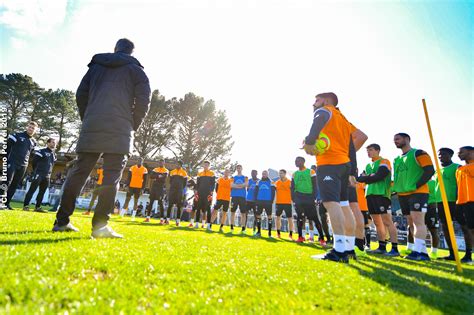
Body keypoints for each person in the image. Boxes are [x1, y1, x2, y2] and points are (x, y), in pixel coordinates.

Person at [52, 38, 151, 238]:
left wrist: (88, 118)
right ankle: (99, 227)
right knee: (112, 176)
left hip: (93, 124)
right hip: (120, 128)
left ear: (115, 49)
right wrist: (133, 125)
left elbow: (81, 94)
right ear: (131, 52)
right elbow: (143, 102)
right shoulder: (137, 71)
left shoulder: (95, 67)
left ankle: (61, 222)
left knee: (78, 174)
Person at [303, 93, 367, 262]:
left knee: (331, 205)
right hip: (344, 165)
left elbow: (318, 119)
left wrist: (309, 141)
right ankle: (349, 248)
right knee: (345, 206)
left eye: (316, 100)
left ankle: (338, 250)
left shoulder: (325, 111)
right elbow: (351, 148)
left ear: (326, 100)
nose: (314, 104)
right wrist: (353, 171)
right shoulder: (344, 120)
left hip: (329, 164)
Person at [392, 133, 435, 260]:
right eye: (394, 140)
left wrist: (416, 185)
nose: (395, 141)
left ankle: (418, 252)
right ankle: (422, 252)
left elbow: (430, 170)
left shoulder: (419, 153)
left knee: (418, 221)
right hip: (403, 194)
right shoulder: (396, 159)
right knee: (411, 223)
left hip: (418, 193)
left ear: (407, 139)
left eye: (397, 139)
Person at [358, 143, 400, 257]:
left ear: (378, 150)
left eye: (371, 150)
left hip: (381, 195)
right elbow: (369, 178)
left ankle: (395, 248)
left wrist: (366, 178)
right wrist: (369, 177)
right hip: (370, 195)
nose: (368, 152)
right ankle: (382, 247)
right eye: (367, 150)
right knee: (377, 223)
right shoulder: (368, 165)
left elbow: (379, 176)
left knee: (387, 222)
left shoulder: (384, 161)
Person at [435, 148, 471, 262]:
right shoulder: (438, 170)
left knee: (465, 227)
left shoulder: (457, 167)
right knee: (445, 227)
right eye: (439, 154)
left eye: (443, 154)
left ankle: (468, 254)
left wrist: (457, 199)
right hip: (441, 202)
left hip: (455, 202)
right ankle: (452, 253)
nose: (440, 156)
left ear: (450, 155)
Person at [5, 121, 39, 210]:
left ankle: (7, 204)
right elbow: (7, 148)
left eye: (33, 128)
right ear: (26, 127)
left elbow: (30, 154)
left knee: (15, 184)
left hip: (23, 166)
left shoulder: (34, 142)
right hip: (12, 162)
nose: (31, 129)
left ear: (35, 130)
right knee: (7, 182)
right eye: (30, 127)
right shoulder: (16, 135)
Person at [291, 157, 323, 243]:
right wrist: (293, 199)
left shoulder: (311, 172)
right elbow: (292, 188)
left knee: (315, 218)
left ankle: (322, 239)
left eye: (297, 161)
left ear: (303, 162)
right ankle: (300, 237)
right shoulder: (294, 174)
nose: (296, 162)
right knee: (300, 218)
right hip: (298, 198)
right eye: (295, 161)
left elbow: (315, 186)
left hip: (309, 198)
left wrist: (315, 197)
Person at [23, 138, 57, 212]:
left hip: (47, 176)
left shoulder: (54, 154)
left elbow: (52, 165)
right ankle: (26, 206)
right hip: (39, 174)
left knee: (42, 192)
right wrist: (37, 171)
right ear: (48, 143)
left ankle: (37, 207)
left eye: (55, 143)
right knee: (32, 190)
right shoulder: (41, 151)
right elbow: (34, 162)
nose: (54, 144)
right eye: (52, 142)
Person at [455, 146, 474, 263]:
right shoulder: (459, 169)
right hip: (462, 203)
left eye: (461, 151)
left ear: (471, 152)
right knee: (467, 229)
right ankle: (468, 255)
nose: (459, 154)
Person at [145, 159, 168, 223]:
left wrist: (156, 176)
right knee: (151, 203)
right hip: (154, 187)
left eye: (162, 162)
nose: (161, 163)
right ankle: (148, 218)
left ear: (164, 163)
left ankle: (162, 219)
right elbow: (151, 176)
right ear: (159, 163)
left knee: (161, 203)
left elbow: (164, 177)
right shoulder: (155, 169)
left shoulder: (166, 170)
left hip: (160, 188)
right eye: (160, 162)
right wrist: (159, 176)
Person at [193, 161, 215, 228]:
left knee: (208, 208)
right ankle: (196, 224)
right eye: (204, 165)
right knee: (198, 208)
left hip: (208, 193)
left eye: (207, 165)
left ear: (209, 166)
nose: (205, 166)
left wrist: (211, 191)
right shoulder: (200, 173)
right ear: (203, 165)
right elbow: (197, 183)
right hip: (200, 193)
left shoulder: (212, 173)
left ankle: (208, 225)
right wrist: (196, 191)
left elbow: (213, 183)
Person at [254, 170, 275, 237]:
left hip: (268, 202)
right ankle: (259, 232)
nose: (264, 174)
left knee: (269, 216)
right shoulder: (258, 182)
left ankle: (269, 233)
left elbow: (273, 192)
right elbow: (256, 191)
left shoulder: (271, 182)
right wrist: (256, 200)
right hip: (259, 201)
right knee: (258, 215)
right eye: (263, 173)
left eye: (265, 173)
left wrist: (271, 201)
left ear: (267, 174)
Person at [165, 161, 188, 226]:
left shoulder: (184, 173)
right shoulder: (172, 172)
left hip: (179, 191)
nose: (177, 165)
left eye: (178, 164)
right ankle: (167, 220)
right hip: (172, 190)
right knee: (170, 205)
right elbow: (170, 181)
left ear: (181, 165)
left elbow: (185, 183)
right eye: (176, 164)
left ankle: (177, 221)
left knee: (179, 206)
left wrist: (180, 189)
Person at [275, 169, 294, 240]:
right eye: (279, 173)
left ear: (285, 174)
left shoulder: (290, 182)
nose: (280, 175)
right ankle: (278, 233)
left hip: (287, 203)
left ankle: (291, 234)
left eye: (281, 173)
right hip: (279, 203)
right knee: (277, 218)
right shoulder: (277, 183)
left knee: (290, 219)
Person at [230, 165, 248, 233]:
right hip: (234, 196)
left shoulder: (245, 177)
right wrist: (241, 186)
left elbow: (246, 184)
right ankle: (232, 227)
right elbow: (231, 185)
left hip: (242, 197)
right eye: (237, 168)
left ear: (242, 168)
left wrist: (236, 186)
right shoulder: (233, 177)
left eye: (240, 167)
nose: (239, 169)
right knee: (232, 212)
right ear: (236, 169)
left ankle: (243, 228)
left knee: (243, 213)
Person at [426, 179, 440, 259]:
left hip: (431, 207)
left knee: (433, 230)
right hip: (426, 207)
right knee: (432, 230)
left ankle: (434, 252)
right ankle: (419, 248)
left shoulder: (434, 183)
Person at [355, 182, 371, 249]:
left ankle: (367, 244)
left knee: (365, 226)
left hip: (363, 208)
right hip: (356, 207)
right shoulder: (354, 183)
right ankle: (361, 243)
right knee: (358, 226)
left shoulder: (361, 183)